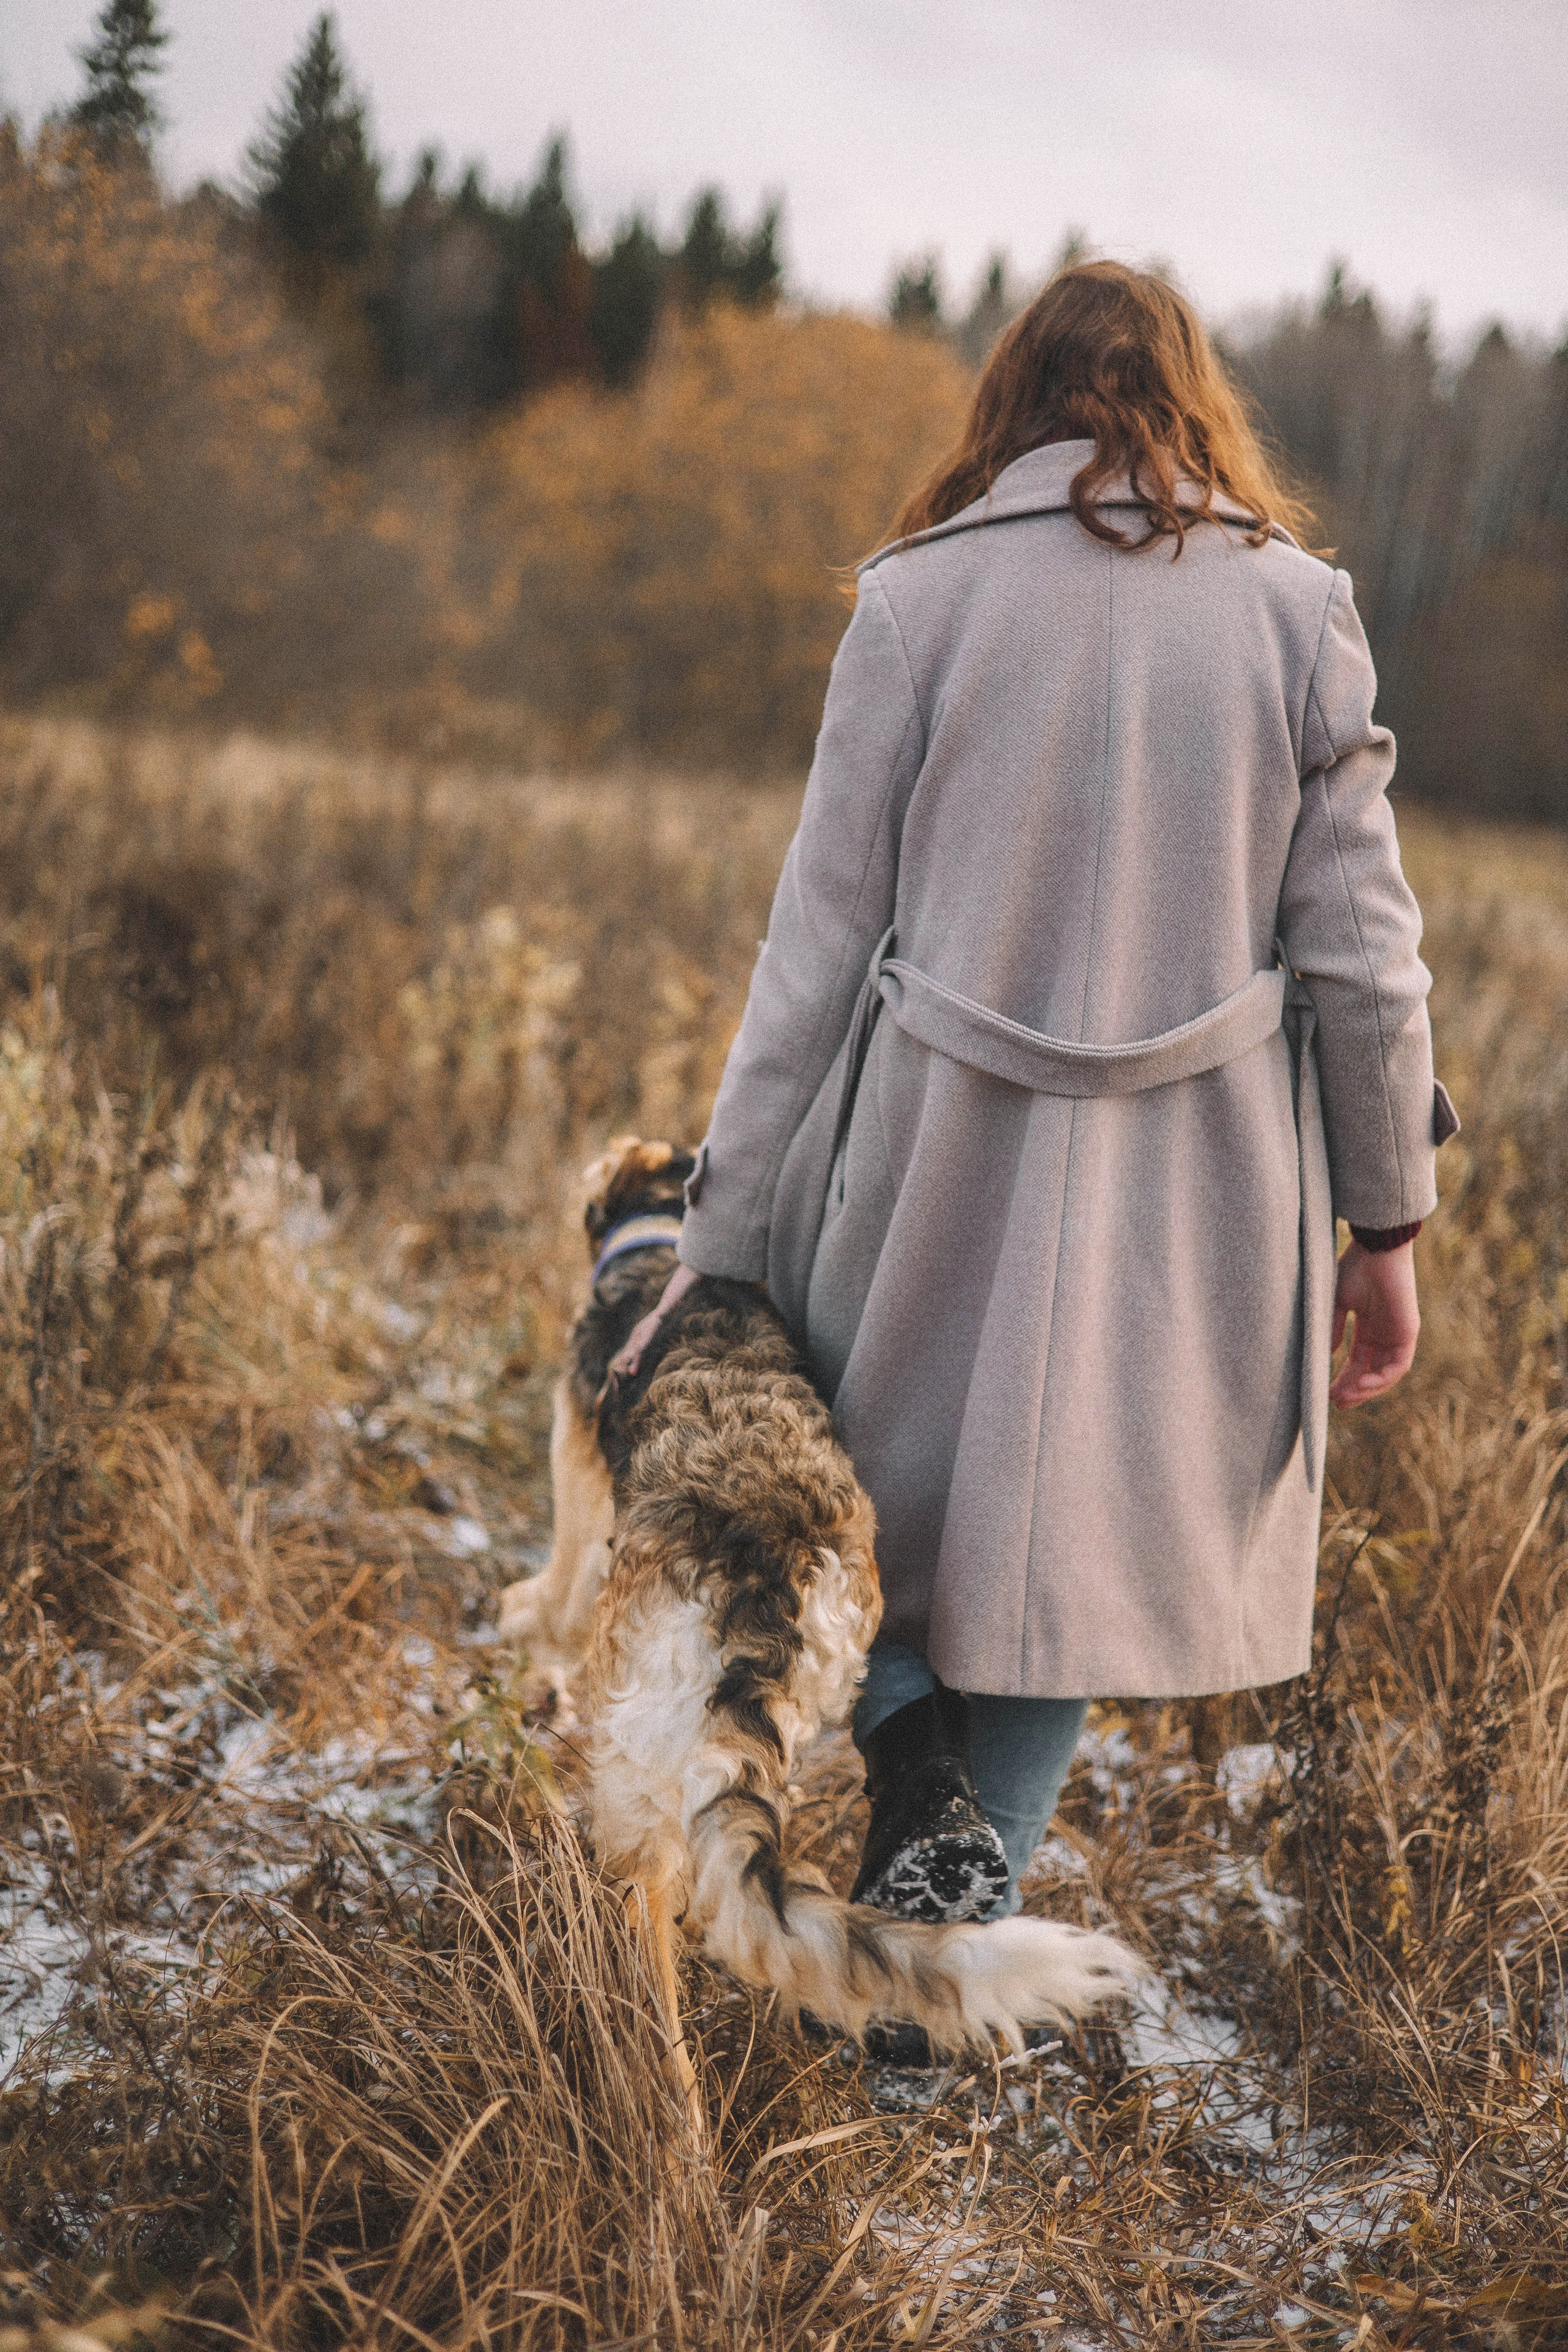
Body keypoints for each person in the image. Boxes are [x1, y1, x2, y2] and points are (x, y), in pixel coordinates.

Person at [613, 260, 1456, 1937]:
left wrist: (724, 1243)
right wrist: (1390, 1221)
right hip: (1197, 1199)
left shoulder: (917, 599)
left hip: (922, 1162)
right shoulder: (1297, 610)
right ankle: (937, 1951)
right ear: (1195, 405)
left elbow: (815, 946)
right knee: (1058, 1570)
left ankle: (917, 1769)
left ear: (1008, 407)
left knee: (861, 1515)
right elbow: (1367, 956)